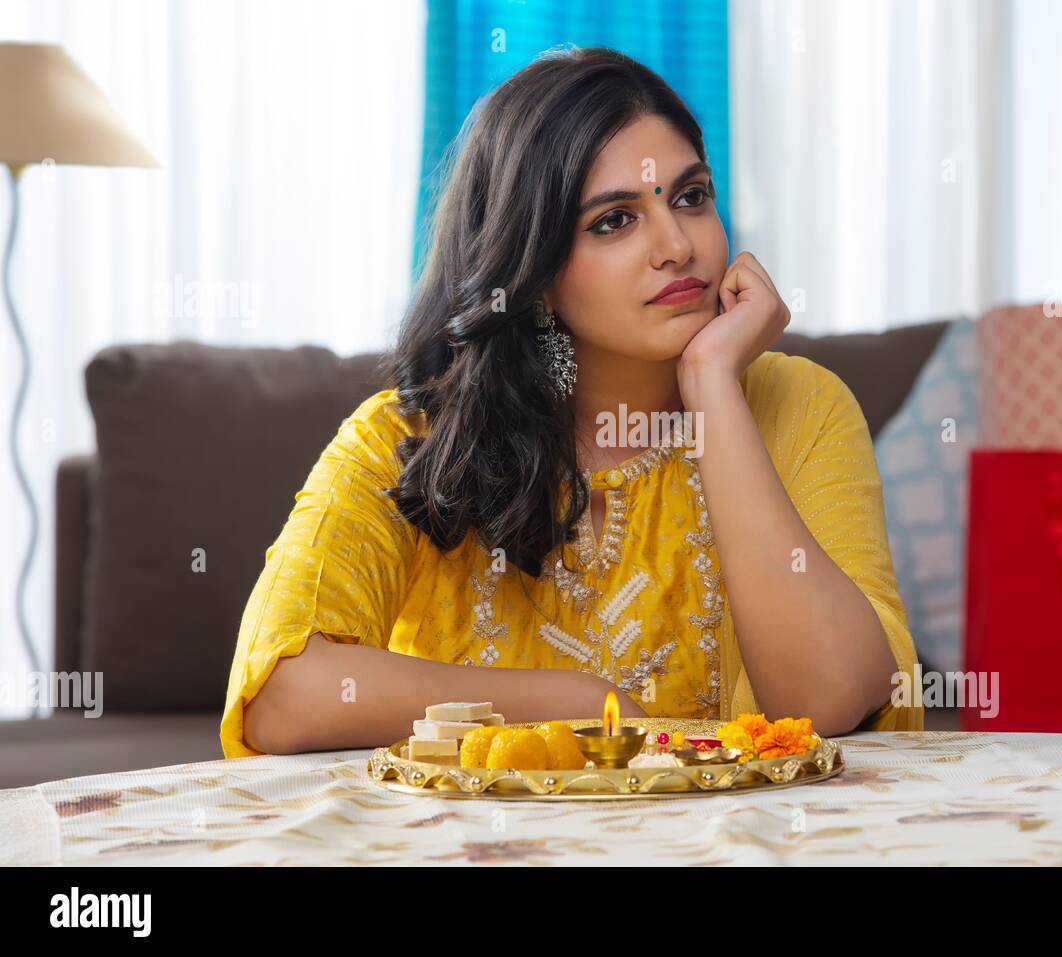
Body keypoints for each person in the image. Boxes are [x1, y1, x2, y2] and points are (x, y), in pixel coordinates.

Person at [220, 46, 922, 758]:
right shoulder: (410, 436)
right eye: (614, 220)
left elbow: (829, 694)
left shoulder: (799, 405)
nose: (677, 245)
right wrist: (582, 702)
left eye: (690, 196)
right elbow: (282, 695)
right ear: (534, 268)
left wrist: (712, 386)